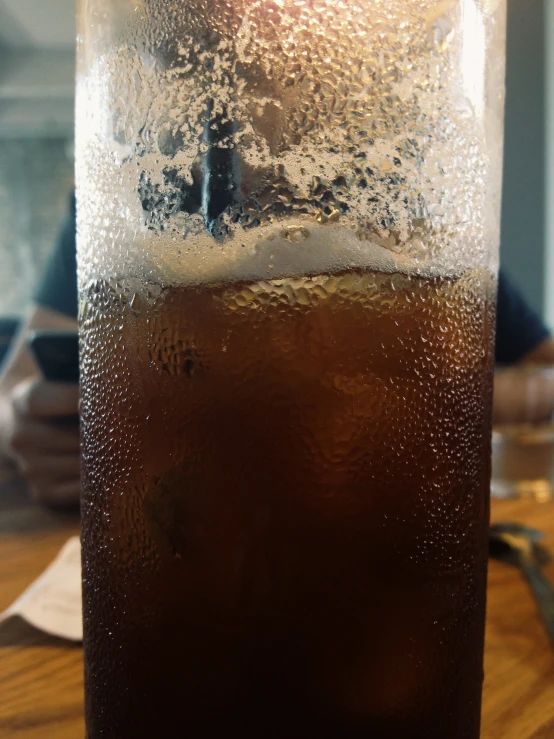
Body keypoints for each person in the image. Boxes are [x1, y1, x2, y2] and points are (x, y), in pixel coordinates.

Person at [1, 193, 553, 505]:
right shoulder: (124, 193)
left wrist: (435, 400)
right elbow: (11, 397)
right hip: (164, 540)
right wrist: (24, 427)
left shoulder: (417, 212)